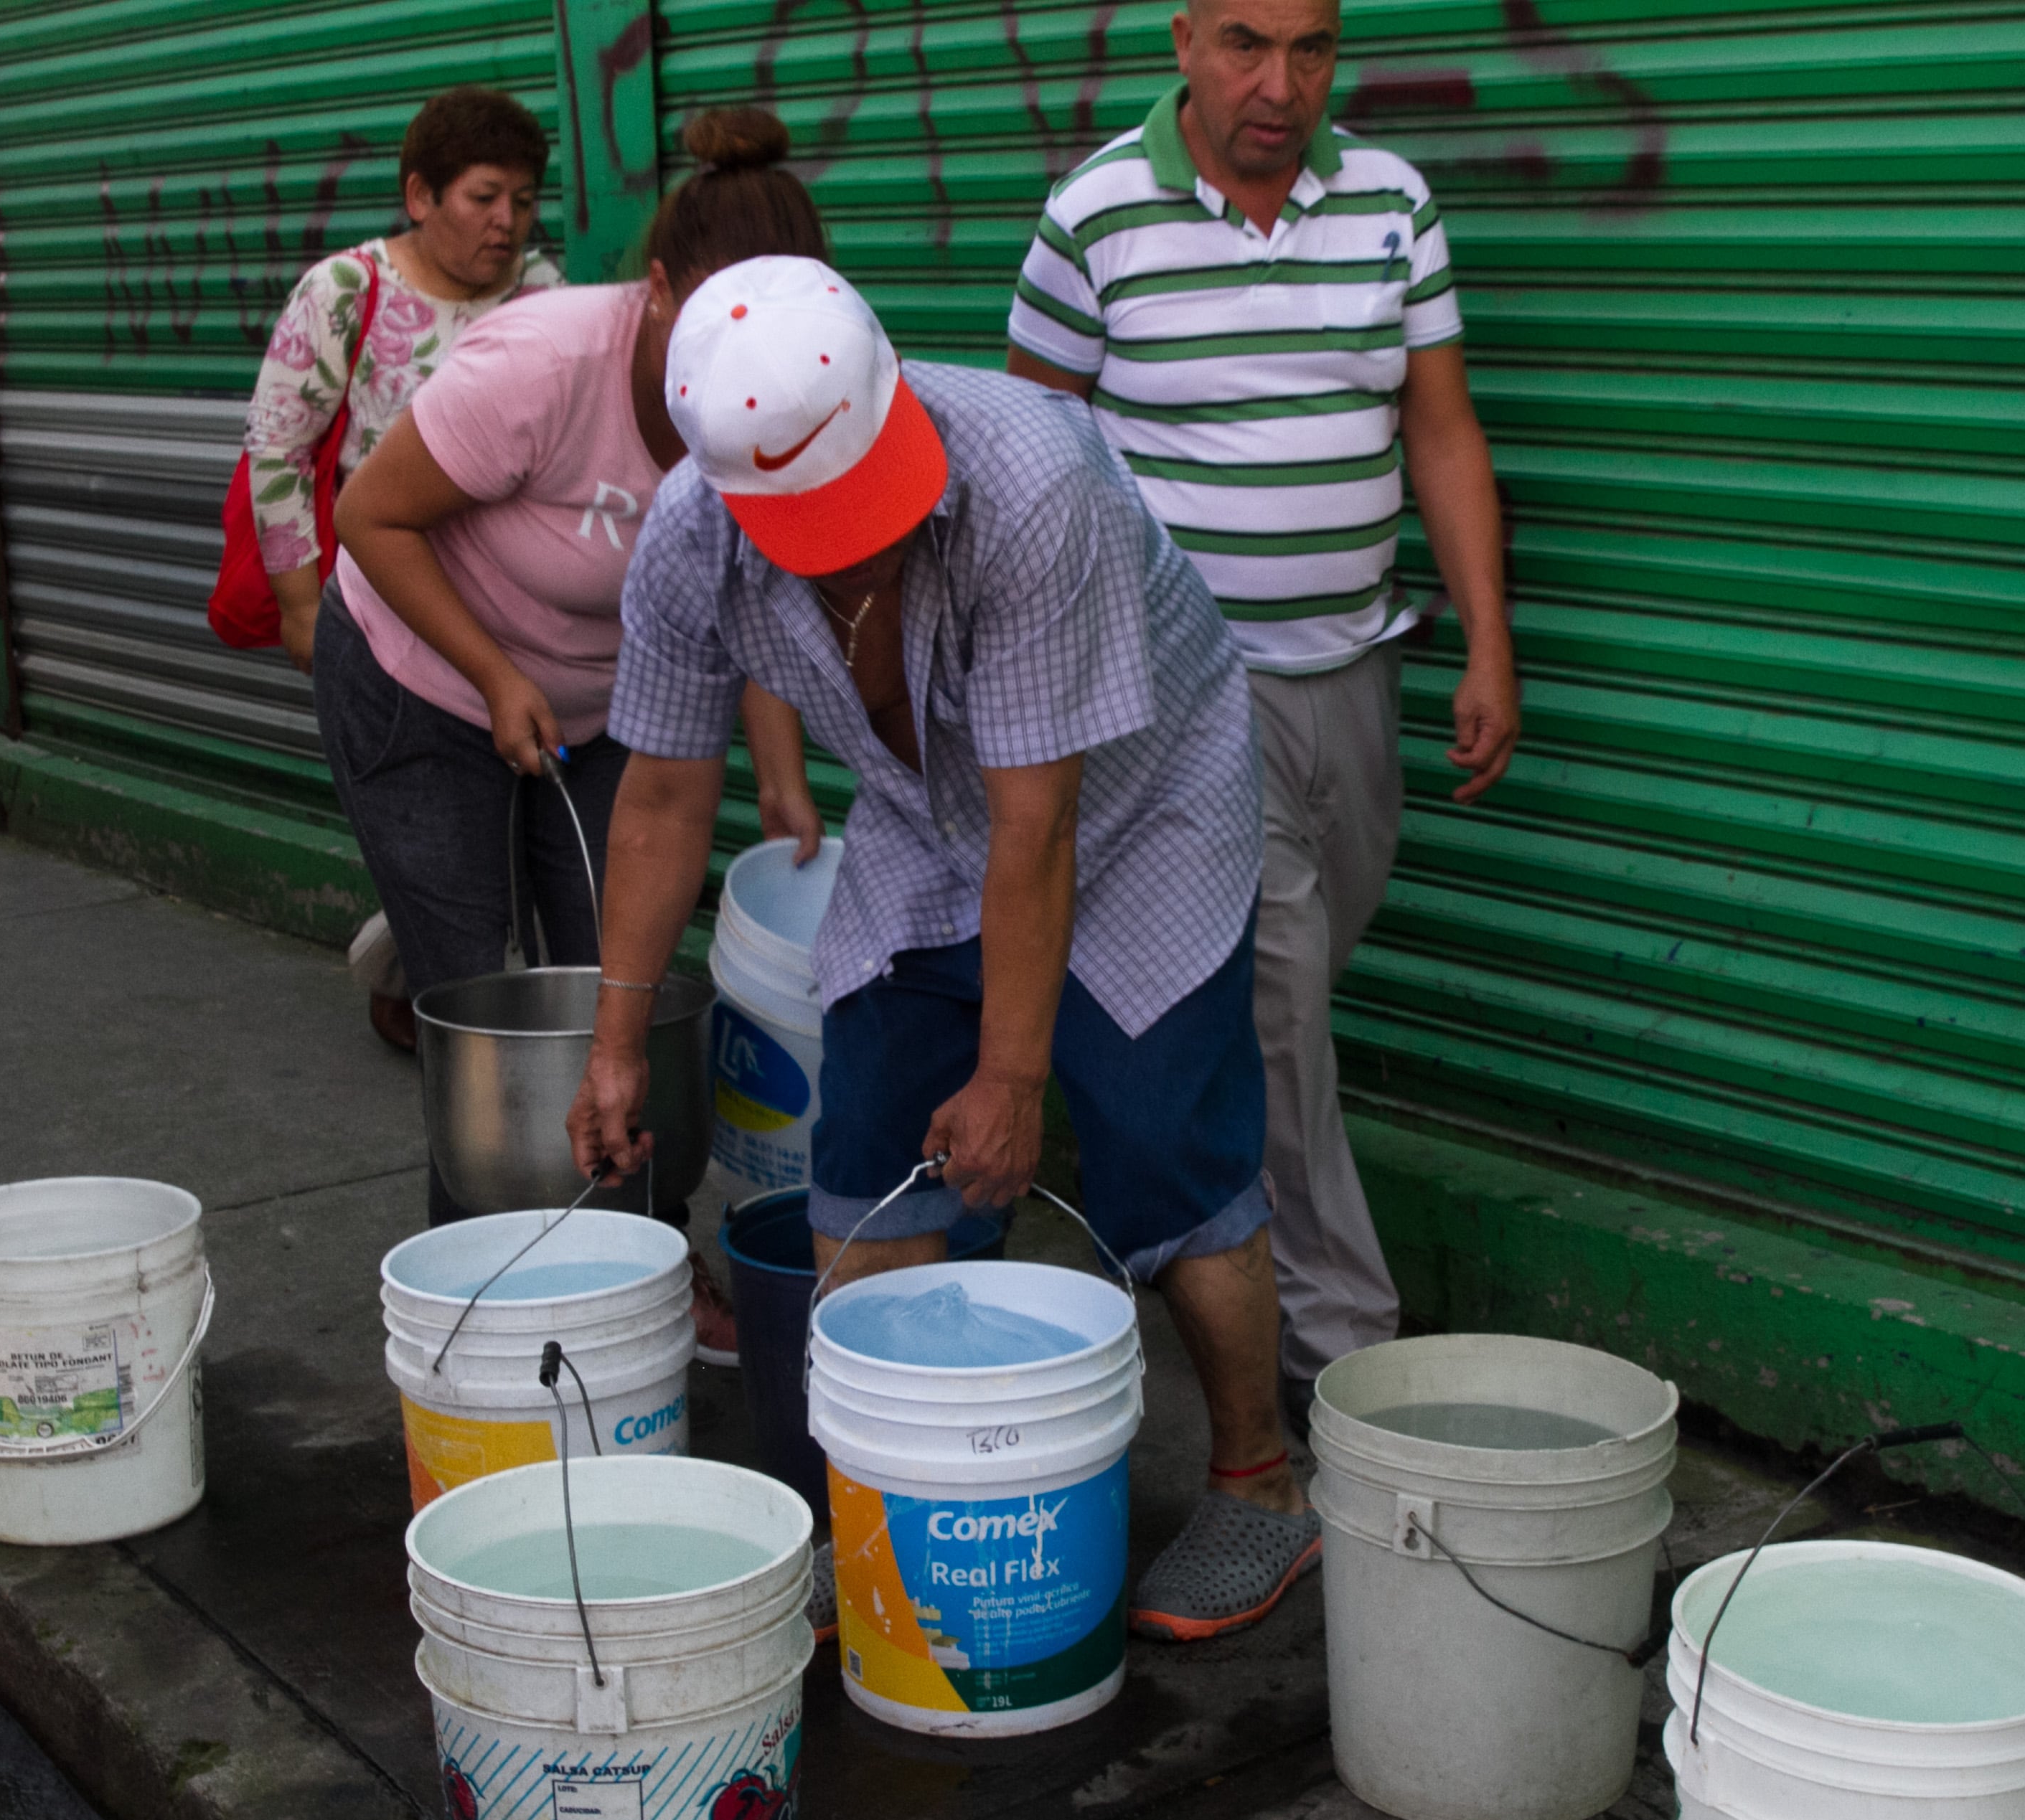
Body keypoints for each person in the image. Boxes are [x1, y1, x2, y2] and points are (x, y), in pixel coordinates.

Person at [566, 255, 1320, 1644]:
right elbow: (664, 795)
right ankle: (895, 1500)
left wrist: (1016, 1076)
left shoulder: (1037, 484)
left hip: (1141, 806)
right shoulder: (688, 542)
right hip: (926, 817)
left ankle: (1260, 1486)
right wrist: (615, 1042)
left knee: (1164, 1142)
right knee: (869, 1149)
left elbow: (1041, 827)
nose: (863, 543)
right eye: (818, 525)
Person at [1006, 0, 1519, 1433]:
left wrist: (1489, 637)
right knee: (1282, 1010)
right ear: (1182, 40)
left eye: (1311, 48)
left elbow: (1439, 424)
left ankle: (1178, 1215)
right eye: (1244, 43)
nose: (1278, 84)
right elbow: (1032, 453)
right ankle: (1341, 1358)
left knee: (1295, 984)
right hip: (1182, 703)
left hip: (1353, 675)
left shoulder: (1392, 203)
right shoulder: (1096, 214)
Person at [325, 108, 828, 1375]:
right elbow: (369, 515)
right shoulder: (544, 362)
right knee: (484, 1014)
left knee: (627, 1000)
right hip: (423, 678)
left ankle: (645, 1285)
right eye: (710, 330)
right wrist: (491, 674)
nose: (738, 370)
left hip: (614, 711)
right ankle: (487, 1317)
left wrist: (779, 778)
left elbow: (753, 577)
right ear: (655, 291)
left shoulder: (796, 375)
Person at [244, 87, 563, 1052]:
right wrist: (304, 602)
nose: (506, 222)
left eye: (522, 197)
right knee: (431, 833)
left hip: (522, 626)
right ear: (420, 196)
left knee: (511, 835)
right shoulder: (348, 291)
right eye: (482, 197)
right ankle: (431, 988)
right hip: (385, 623)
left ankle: (438, 978)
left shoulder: (541, 292)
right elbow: (277, 449)